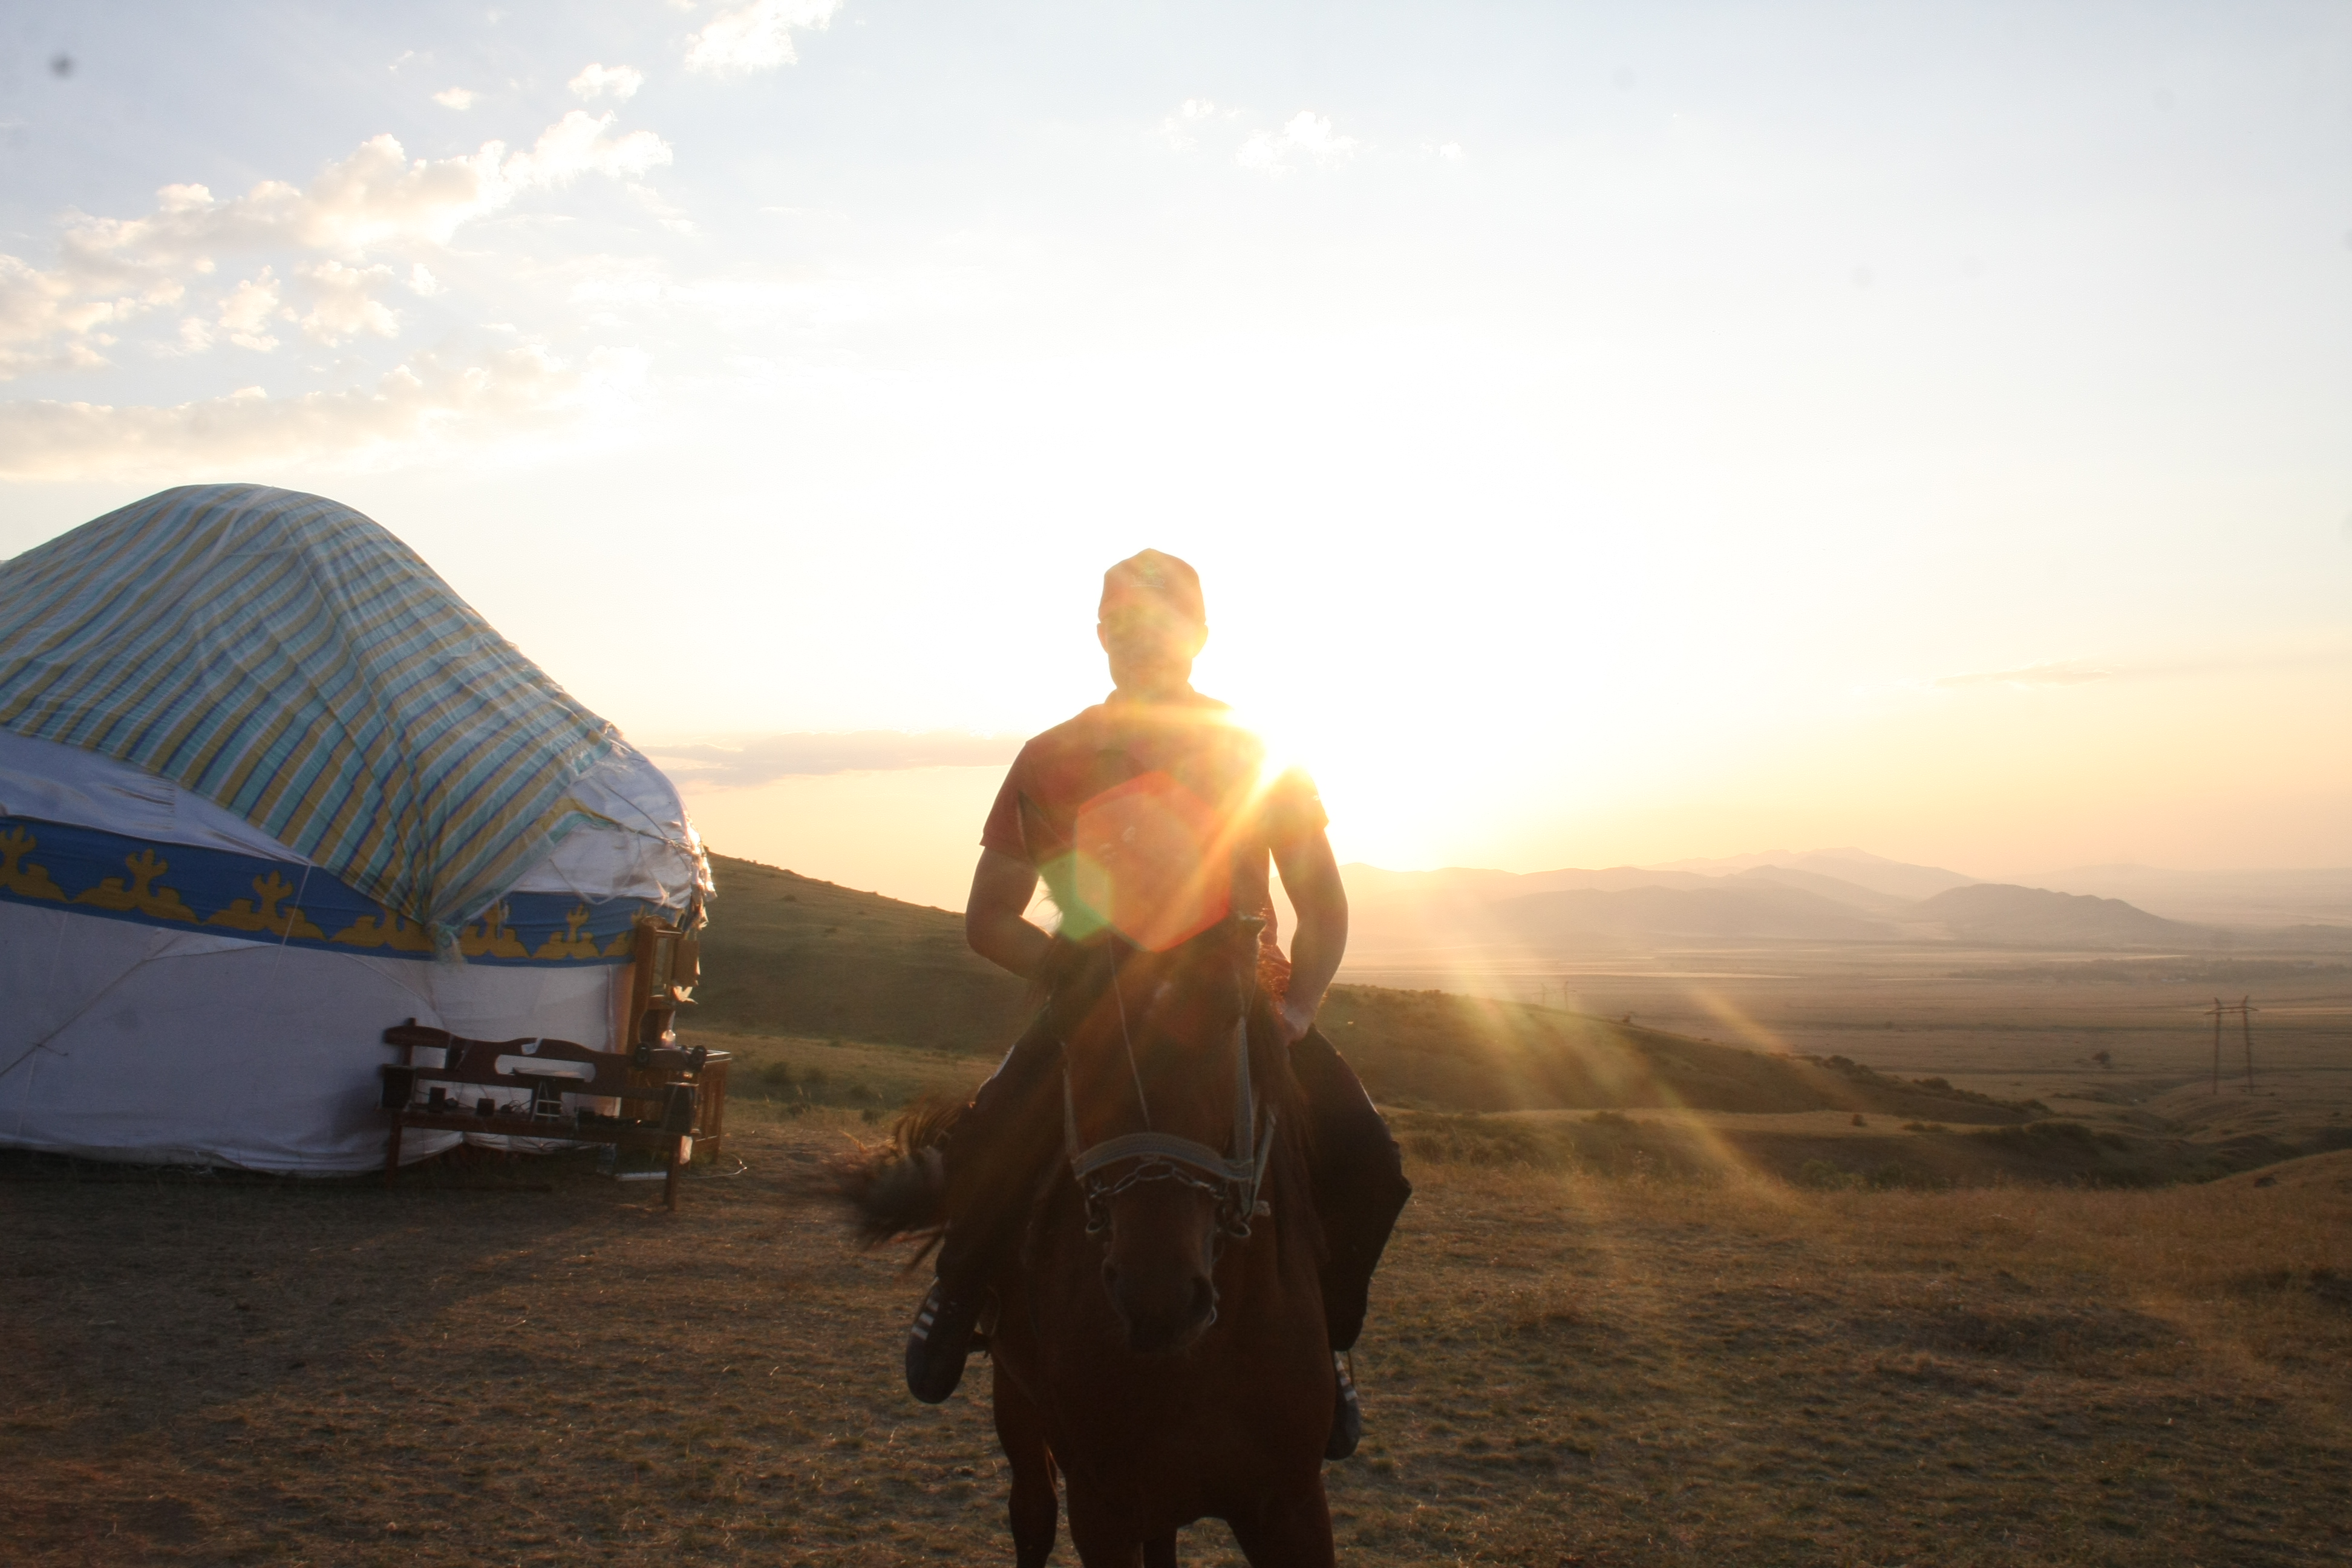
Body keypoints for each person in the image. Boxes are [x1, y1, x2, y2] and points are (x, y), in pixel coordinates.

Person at [904, 548, 1411, 1460]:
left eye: (1164, 625)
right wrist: (1075, 976)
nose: (1143, 642)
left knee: (1370, 1161)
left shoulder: (1253, 752)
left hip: (1238, 1008)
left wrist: (1298, 1010)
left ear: (1201, 636)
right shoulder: (1050, 758)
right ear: (1100, 635)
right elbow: (989, 918)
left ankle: (1329, 1341)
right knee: (985, 1139)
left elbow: (1324, 906)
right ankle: (959, 1290)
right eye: (1124, 625)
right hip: (1100, 1011)